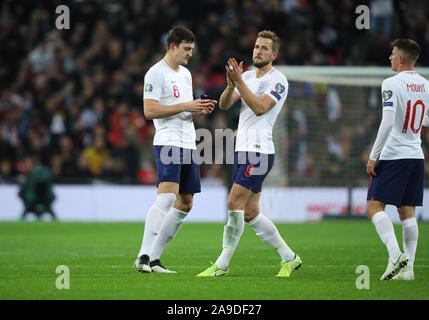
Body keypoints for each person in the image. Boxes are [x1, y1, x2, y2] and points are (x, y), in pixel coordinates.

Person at [197, 30, 301, 277]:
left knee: (233, 202)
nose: (258, 51)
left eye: (265, 48)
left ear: (274, 54)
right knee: (250, 212)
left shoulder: (279, 80)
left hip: (259, 151)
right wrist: (231, 83)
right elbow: (223, 104)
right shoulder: (247, 77)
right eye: (256, 46)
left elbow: (260, 108)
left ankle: (221, 264)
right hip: (242, 149)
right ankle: (290, 257)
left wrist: (240, 82)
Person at [133, 26, 216, 273]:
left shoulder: (186, 74)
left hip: (189, 141)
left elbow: (183, 109)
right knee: (168, 196)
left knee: (186, 202)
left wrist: (197, 109)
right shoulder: (155, 73)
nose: (190, 54)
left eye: (192, 49)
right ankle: (142, 256)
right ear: (173, 46)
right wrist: (186, 105)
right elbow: (149, 111)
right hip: (168, 140)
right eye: (186, 49)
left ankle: (154, 259)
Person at [366, 39, 429, 280]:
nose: (390, 57)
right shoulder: (425, 85)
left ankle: (395, 255)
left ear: (401, 58)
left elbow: (389, 121)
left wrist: (374, 155)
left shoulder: (391, 83)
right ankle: (409, 269)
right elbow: (426, 119)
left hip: (393, 155)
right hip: (415, 155)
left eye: (392, 54)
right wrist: (412, 122)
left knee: (372, 207)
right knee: (407, 212)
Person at [19, 154, 57, 221]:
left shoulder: (32, 176)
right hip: (44, 199)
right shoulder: (44, 173)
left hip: (33, 199)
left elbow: (23, 192)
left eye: (29, 163)